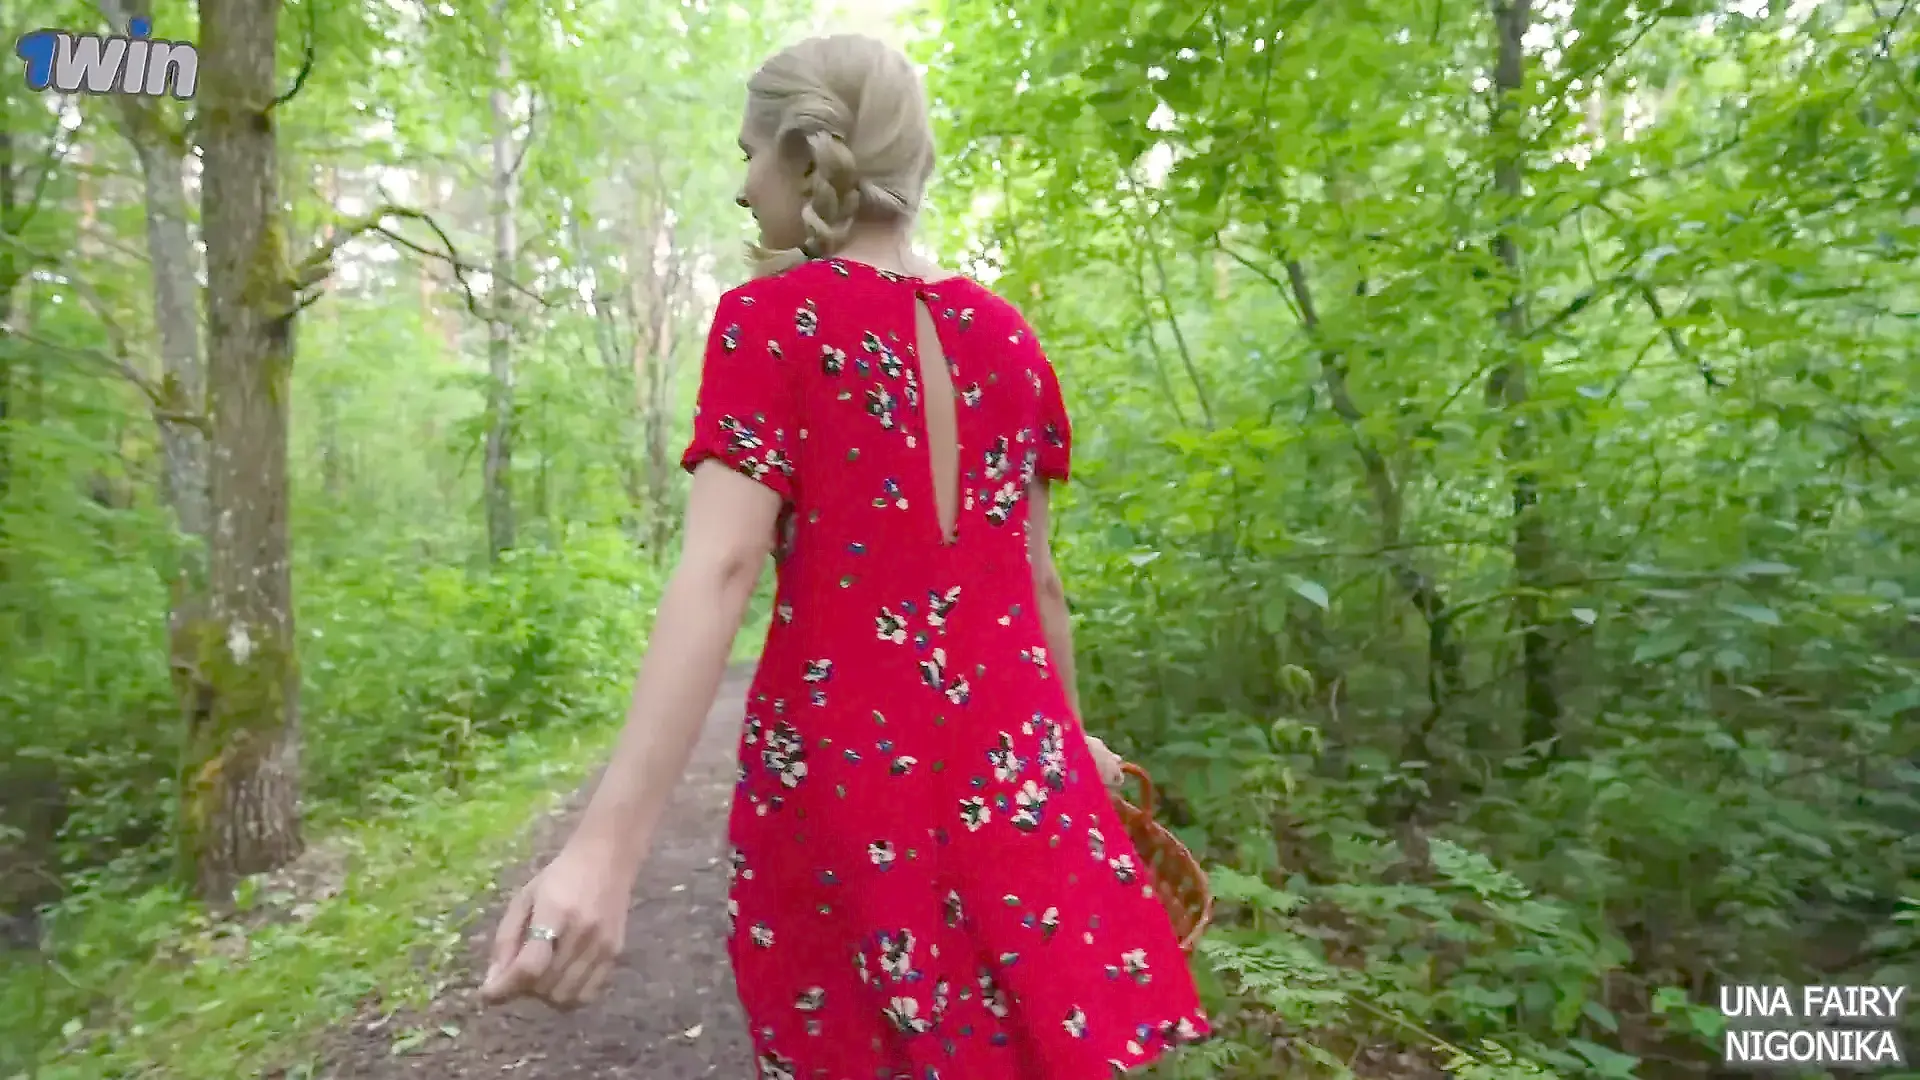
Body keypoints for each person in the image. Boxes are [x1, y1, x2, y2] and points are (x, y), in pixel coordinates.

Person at [478, 32, 1211, 1079]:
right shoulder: (1010, 339)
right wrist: (1071, 746)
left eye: (748, 155)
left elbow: (722, 570)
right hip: (1019, 781)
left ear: (802, 155)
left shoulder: (770, 325)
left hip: (846, 794)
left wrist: (604, 850)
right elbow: (1038, 583)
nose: (742, 187)